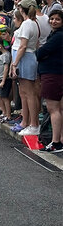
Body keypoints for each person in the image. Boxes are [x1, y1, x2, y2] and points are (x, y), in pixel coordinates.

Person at [9, 0, 41, 136]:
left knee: (29, 93)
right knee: (24, 93)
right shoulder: (31, 23)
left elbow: (23, 45)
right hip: (25, 57)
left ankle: (34, 125)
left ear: (22, 9)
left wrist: (15, 63)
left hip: (25, 58)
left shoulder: (28, 23)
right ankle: (26, 122)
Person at [36, 9, 63, 152]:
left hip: (52, 74)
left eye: (57, 19)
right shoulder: (56, 35)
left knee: (54, 109)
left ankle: (55, 142)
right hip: (56, 73)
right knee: (59, 109)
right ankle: (60, 140)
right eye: (51, 19)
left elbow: (41, 53)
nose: (53, 21)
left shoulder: (58, 36)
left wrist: (40, 52)